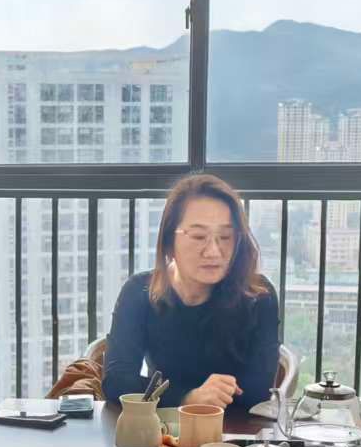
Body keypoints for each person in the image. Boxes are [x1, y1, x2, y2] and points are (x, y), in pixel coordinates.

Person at [102, 174, 280, 410]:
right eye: (198, 237)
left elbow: (258, 392)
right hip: (163, 428)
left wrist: (189, 398)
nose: (214, 251)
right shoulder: (140, 291)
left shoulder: (258, 296)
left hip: (233, 429)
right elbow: (116, 381)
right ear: (169, 240)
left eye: (225, 237)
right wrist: (187, 397)